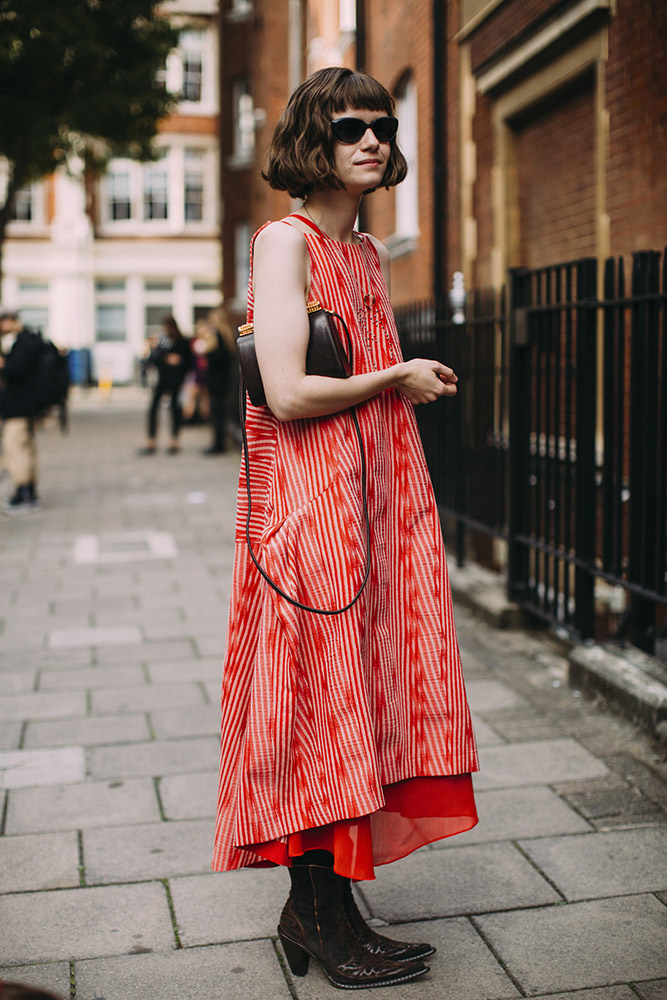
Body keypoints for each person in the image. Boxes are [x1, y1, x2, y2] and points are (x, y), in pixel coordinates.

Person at [212, 67, 479, 991]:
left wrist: (397, 381)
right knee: (313, 702)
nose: (371, 139)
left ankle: (323, 912)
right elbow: (285, 391)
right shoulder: (282, 243)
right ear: (310, 141)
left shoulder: (365, 254)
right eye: (349, 126)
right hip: (314, 505)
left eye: (382, 124)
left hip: (377, 503)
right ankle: (318, 915)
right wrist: (393, 377)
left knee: (357, 697)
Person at [0, 309, 42, 515]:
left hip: (19, 406)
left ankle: (24, 491)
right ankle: (29, 491)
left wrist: (4, 364)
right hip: (26, 406)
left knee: (15, 447)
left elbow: (17, 370)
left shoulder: (23, 342)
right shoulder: (28, 340)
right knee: (24, 447)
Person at [139, 314, 193, 455]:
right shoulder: (162, 341)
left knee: (175, 409)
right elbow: (153, 359)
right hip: (162, 379)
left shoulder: (182, 342)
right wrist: (160, 353)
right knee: (153, 408)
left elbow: (189, 361)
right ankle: (151, 440)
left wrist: (179, 361)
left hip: (176, 379)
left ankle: (174, 441)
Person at [200, 307, 234, 454]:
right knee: (220, 412)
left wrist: (207, 355)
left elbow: (218, 358)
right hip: (223, 379)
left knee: (217, 413)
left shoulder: (218, 336)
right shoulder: (226, 335)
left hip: (217, 380)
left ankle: (218, 445)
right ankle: (219, 443)